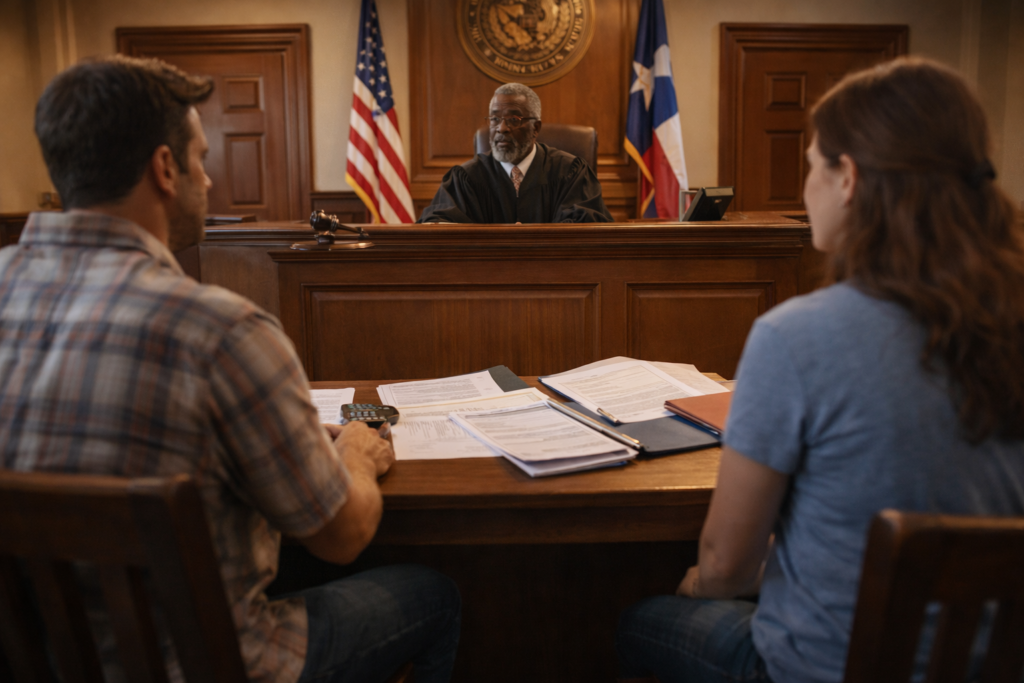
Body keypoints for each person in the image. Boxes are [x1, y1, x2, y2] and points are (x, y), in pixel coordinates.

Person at [0, 55, 460, 683]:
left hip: (34, 655)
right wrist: (354, 449)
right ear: (165, 169)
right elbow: (344, 534)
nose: (208, 181)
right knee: (433, 595)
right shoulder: (222, 332)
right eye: (201, 159)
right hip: (207, 663)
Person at [614, 57, 1024, 683]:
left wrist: (701, 582)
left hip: (820, 670)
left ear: (849, 178)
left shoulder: (797, 336)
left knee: (641, 619)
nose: (805, 186)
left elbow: (725, 565)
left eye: (810, 165)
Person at [418, 82, 613, 224]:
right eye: (494, 119)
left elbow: (588, 227)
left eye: (513, 119)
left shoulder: (570, 172)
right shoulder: (466, 178)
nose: (501, 128)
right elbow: (438, 225)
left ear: (535, 128)